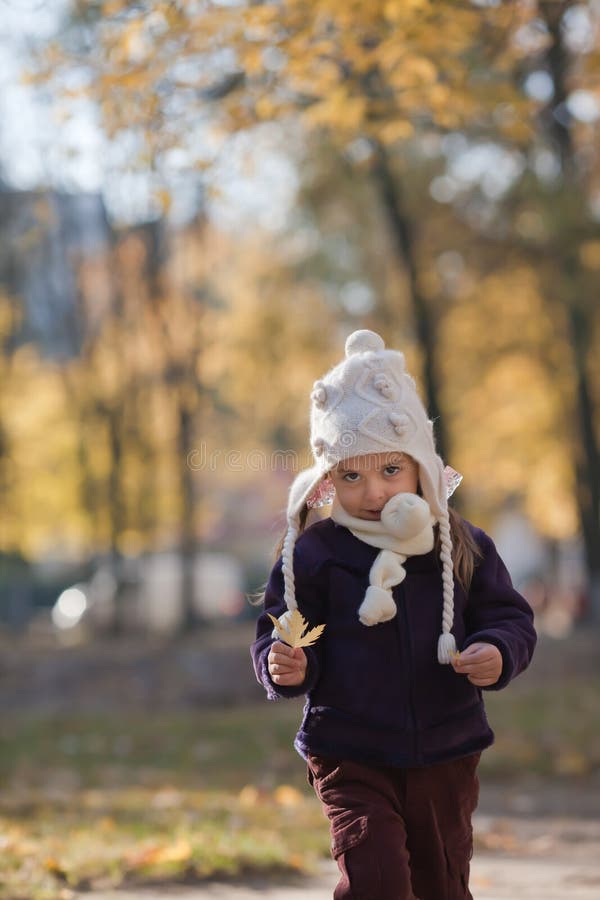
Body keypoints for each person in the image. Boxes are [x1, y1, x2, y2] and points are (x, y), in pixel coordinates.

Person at [250, 329, 536, 900]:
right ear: (328, 480)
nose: (373, 492)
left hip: (445, 749)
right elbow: (282, 629)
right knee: (377, 880)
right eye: (352, 476)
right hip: (349, 749)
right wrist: (284, 664)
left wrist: (498, 650)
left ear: (421, 470)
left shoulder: (459, 542)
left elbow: (511, 616)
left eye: (390, 471)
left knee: (440, 883)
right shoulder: (315, 552)